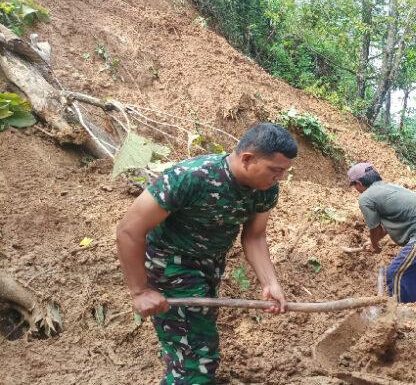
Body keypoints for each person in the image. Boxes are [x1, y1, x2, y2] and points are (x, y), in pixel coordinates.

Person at [116, 123, 297, 384]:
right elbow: (129, 230)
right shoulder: (190, 177)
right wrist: (140, 291)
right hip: (170, 265)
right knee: (197, 360)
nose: (279, 177)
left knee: (188, 340)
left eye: (284, 171)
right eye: (275, 170)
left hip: (209, 268)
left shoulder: (265, 189)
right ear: (248, 159)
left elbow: (254, 236)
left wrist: (270, 283)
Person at [348, 163, 416, 303]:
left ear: (359, 183)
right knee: (413, 270)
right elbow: (385, 228)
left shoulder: (366, 198)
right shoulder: (390, 187)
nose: (356, 189)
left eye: (354, 186)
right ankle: (414, 304)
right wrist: (374, 241)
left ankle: (401, 313)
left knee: (395, 273)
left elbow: (374, 228)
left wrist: (375, 245)